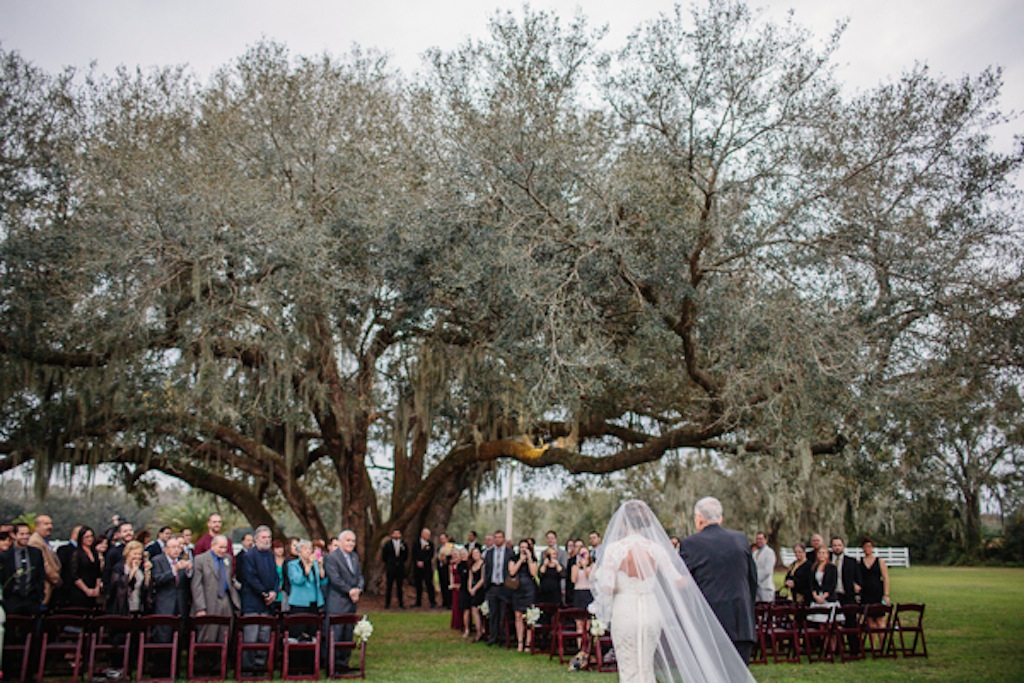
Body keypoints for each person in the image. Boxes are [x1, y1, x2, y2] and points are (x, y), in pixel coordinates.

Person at [591, 500, 755, 683]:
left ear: (622, 522)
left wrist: (598, 578)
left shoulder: (614, 549)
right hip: (650, 611)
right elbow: (679, 581)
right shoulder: (656, 549)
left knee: (628, 665)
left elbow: (607, 587)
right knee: (646, 666)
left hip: (625, 611)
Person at [679, 496, 758, 664]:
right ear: (720, 518)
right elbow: (752, 580)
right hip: (740, 620)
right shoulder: (740, 539)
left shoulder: (690, 544)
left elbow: (684, 586)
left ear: (699, 518)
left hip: (708, 622)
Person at [238, 526, 278, 673]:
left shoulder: (270, 555)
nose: (266, 540)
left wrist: (273, 591)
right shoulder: (249, 556)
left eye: (269, 538)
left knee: (264, 636)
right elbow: (250, 577)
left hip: (267, 604)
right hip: (253, 602)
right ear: (256, 539)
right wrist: (264, 593)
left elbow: (275, 576)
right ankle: (247, 668)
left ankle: (260, 667)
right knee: (251, 637)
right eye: (263, 537)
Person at [324, 530, 363, 672]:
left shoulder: (354, 557)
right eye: (348, 540)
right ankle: (332, 666)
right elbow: (335, 579)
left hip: (351, 602)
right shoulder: (332, 558)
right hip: (337, 602)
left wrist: (358, 589)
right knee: (336, 634)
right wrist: (349, 590)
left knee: (348, 633)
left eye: (353, 541)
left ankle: (343, 663)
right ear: (340, 542)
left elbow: (360, 576)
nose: (351, 543)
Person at [190, 534, 240, 643]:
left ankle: (221, 658)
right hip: (208, 601)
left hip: (225, 600)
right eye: (220, 547)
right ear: (212, 546)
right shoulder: (200, 560)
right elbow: (196, 585)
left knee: (225, 636)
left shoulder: (228, 558)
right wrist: (200, 608)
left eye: (225, 548)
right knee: (207, 636)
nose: (223, 550)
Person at [148, 535, 191, 642]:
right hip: (164, 602)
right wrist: (173, 570)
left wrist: (189, 571)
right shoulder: (157, 560)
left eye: (178, 547)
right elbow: (157, 579)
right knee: (164, 633)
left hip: (180, 601)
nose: (176, 550)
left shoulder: (182, 561)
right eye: (173, 547)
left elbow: (187, 583)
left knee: (179, 631)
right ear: (166, 549)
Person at [0, 522, 45, 616]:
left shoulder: (36, 553)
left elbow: (40, 575)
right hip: (12, 599)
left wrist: (40, 595)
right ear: (14, 535)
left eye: (27, 534)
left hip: (32, 599)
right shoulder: (5, 555)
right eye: (22, 534)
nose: (25, 537)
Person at [287, 540, 326, 640]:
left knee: (313, 632)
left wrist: (321, 566)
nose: (308, 551)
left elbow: (322, 582)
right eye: (305, 549)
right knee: (298, 632)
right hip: (299, 603)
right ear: (299, 552)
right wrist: (307, 567)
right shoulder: (293, 565)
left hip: (314, 602)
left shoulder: (315, 564)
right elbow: (297, 580)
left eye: (310, 549)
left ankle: (313, 654)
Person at [508, 538, 538, 651]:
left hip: (529, 589)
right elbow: (512, 572)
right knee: (518, 615)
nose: (523, 549)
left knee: (529, 616)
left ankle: (528, 642)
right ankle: (520, 641)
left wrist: (529, 558)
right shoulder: (514, 558)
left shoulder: (533, 559)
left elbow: (533, 573)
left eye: (525, 547)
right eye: (521, 547)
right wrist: (520, 560)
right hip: (517, 588)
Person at [107, 540, 151, 616]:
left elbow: (145, 587)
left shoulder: (141, 568)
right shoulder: (119, 567)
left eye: (139, 554)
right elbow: (117, 586)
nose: (137, 556)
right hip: (122, 607)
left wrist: (147, 574)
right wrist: (132, 572)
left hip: (138, 605)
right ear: (127, 554)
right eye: (135, 554)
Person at [28, 514, 62, 608]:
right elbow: (44, 564)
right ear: (37, 526)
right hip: (44, 589)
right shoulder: (35, 541)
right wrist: (56, 579)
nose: (50, 527)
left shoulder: (44, 541)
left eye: (51, 524)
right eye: (46, 524)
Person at [484, 529, 510, 646]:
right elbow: (487, 570)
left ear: (503, 539)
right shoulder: (489, 553)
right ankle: (492, 636)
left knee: (503, 613)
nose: (497, 539)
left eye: (499, 537)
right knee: (493, 613)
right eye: (495, 537)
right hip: (493, 586)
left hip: (504, 586)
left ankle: (503, 637)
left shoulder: (509, 553)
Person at [858, 538, 891, 631]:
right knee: (870, 621)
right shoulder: (859, 562)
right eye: (865, 547)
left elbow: (885, 578)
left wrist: (886, 594)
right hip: (865, 593)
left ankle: (882, 644)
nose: (867, 549)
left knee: (880, 620)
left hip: (877, 592)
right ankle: (873, 645)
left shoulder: (880, 561)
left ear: (873, 548)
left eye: (869, 546)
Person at [68, 526, 103, 609]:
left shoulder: (95, 553)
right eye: (87, 537)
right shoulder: (77, 553)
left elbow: (98, 573)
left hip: (93, 588)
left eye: (91, 536)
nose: (90, 539)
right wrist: (86, 590)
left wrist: (97, 588)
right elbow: (74, 575)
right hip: (80, 591)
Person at [463, 546, 485, 640]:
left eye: (477, 553)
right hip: (473, 590)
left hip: (480, 589)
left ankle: (481, 630)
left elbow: (483, 579)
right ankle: (478, 630)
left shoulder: (483, 564)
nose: (475, 555)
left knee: (478, 610)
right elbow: (470, 578)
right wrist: (469, 588)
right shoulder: (472, 565)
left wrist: (475, 588)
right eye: (473, 554)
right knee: (474, 610)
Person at [381, 528, 407, 609]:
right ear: (392, 535)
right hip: (391, 567)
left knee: (399, 586)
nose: (396, 535)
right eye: (394, 533)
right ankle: (387, 603)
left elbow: (406, 555)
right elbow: (384, 556)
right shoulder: (387, 544)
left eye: (398, 533)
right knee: (389, 585)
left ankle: (401, 603)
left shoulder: (403, 544)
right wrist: (389, 563)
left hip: (400, 567)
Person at [413, 528, 436, 608]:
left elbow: (430, 555)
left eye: (429, 535)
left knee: (429, 584)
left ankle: (432, 602)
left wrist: (424, 562)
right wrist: (418, 561)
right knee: (418, 584)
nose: (428, 536)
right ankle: (418, 602)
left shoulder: (430, 544)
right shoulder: (416, 543)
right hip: (417, 567)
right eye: (426, 534)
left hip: (427, 567)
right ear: (422, 534)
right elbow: (413, 554)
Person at [752, 531, 777, 602]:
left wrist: (756, 579)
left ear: (766, 540)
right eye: (757, 539)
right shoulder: (755, 553)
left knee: (766, 609)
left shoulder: (769, 552)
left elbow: (767, 570)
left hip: (765, 587)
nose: (758, 541)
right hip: (756, 588)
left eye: (760, 539)